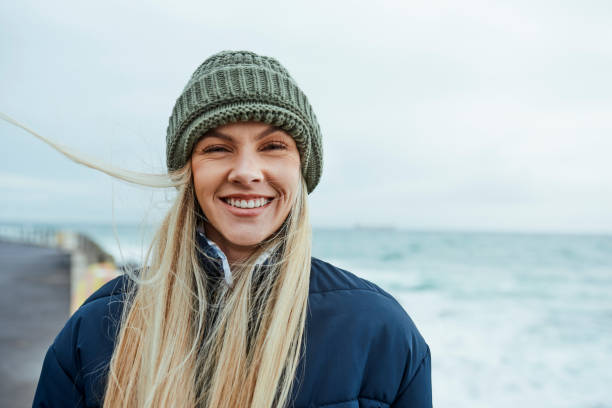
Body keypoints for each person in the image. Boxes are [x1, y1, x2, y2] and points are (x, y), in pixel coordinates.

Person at [31, 50, 432, 407]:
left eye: (273, 146)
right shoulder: (99, 326)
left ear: (301, 168)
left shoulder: (379, 328)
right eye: (217, 148)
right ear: (186, 171)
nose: (246, 173)